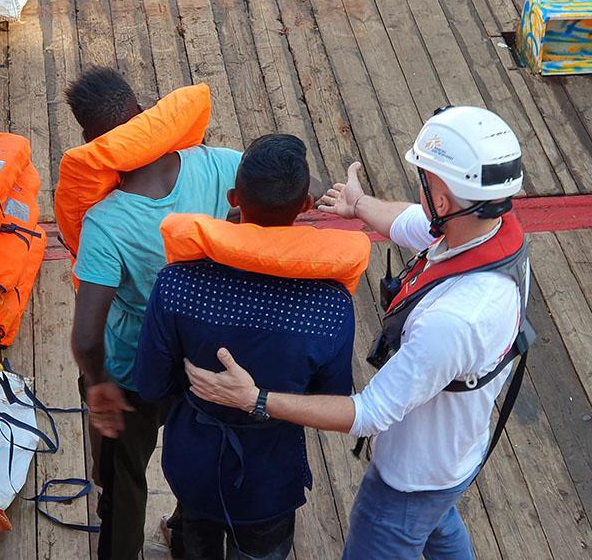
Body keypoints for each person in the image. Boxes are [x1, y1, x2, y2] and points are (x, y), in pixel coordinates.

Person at [184, 106, 533, 560]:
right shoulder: (489, 229)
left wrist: (256, 399)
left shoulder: (454, 320)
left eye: (425, 179)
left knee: (409, 526)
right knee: (439, 528)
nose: (420, 186)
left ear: (446, 202)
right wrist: (358, 206)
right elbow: (415, 223)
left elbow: (369, 412)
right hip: (454, 455)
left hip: (411, 479)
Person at [132, 134, 359, 560]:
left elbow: (150, 385)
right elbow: (332, 400)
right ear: (306, 204)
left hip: (193, 464)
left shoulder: (177, 284)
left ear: (235, 198)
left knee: (194, 543)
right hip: (269, 479)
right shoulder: (331, 305)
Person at [66, 66, 242, 560]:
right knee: (198, 463)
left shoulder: (105, 222)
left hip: (132, 371)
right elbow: (296, 188)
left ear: (90, 142)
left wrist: (98, 381)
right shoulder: (218, 165)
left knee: (123, 482)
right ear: (144, 116)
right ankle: (185, 538)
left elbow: (85, 338)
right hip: (204, 360)